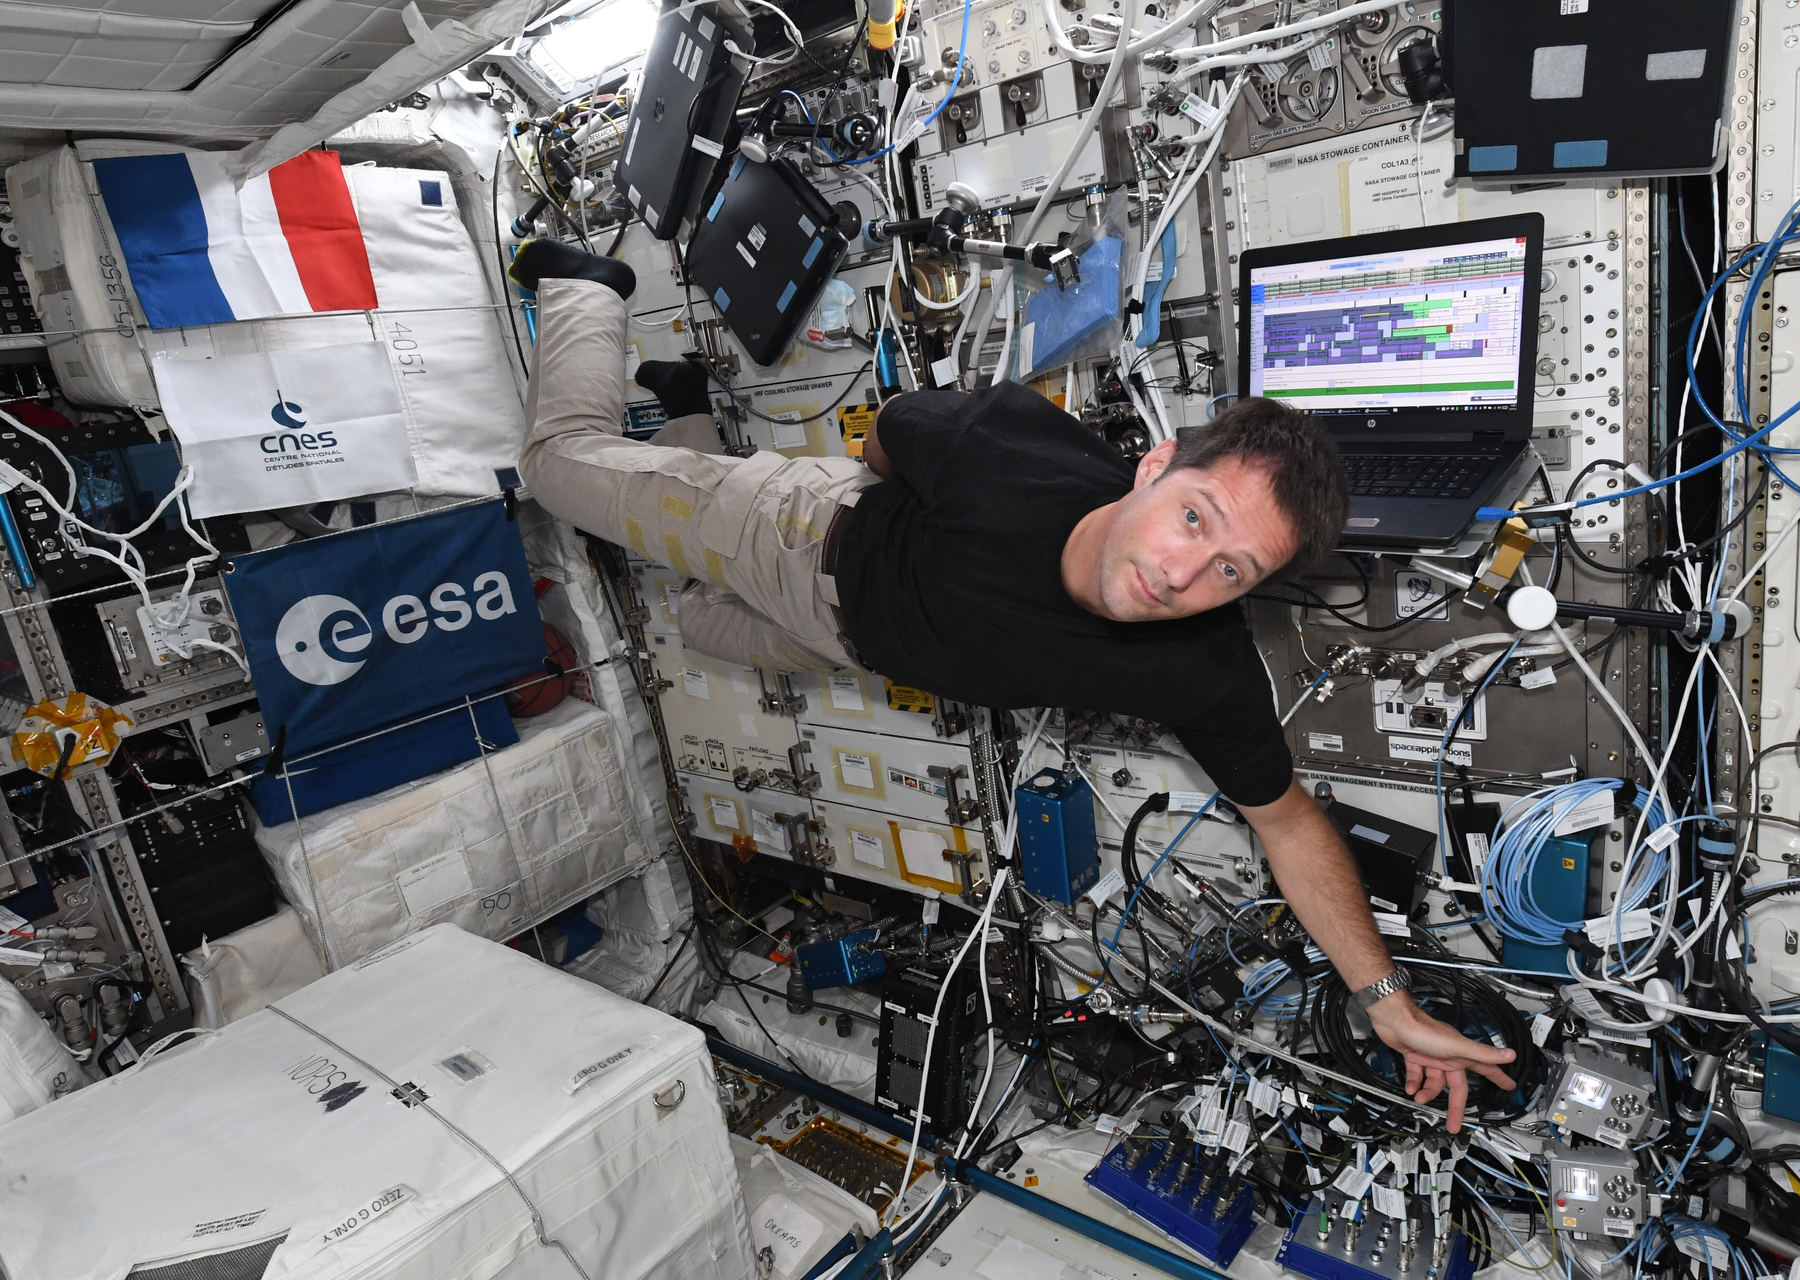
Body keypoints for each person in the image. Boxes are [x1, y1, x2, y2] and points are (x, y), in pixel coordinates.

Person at [510, 238, 1517, 1130]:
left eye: (1232, 571)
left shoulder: (1199, 665)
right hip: (803, 535)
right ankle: (585, 288)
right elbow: (883, 440)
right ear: (1155, 465)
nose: (1182, 574)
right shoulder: (1001, 446)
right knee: (559, 467)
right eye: (1197, 518)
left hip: (861, 642)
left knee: (691, 618)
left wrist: (1385, 996)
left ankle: (685, 406)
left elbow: (1290, 822)